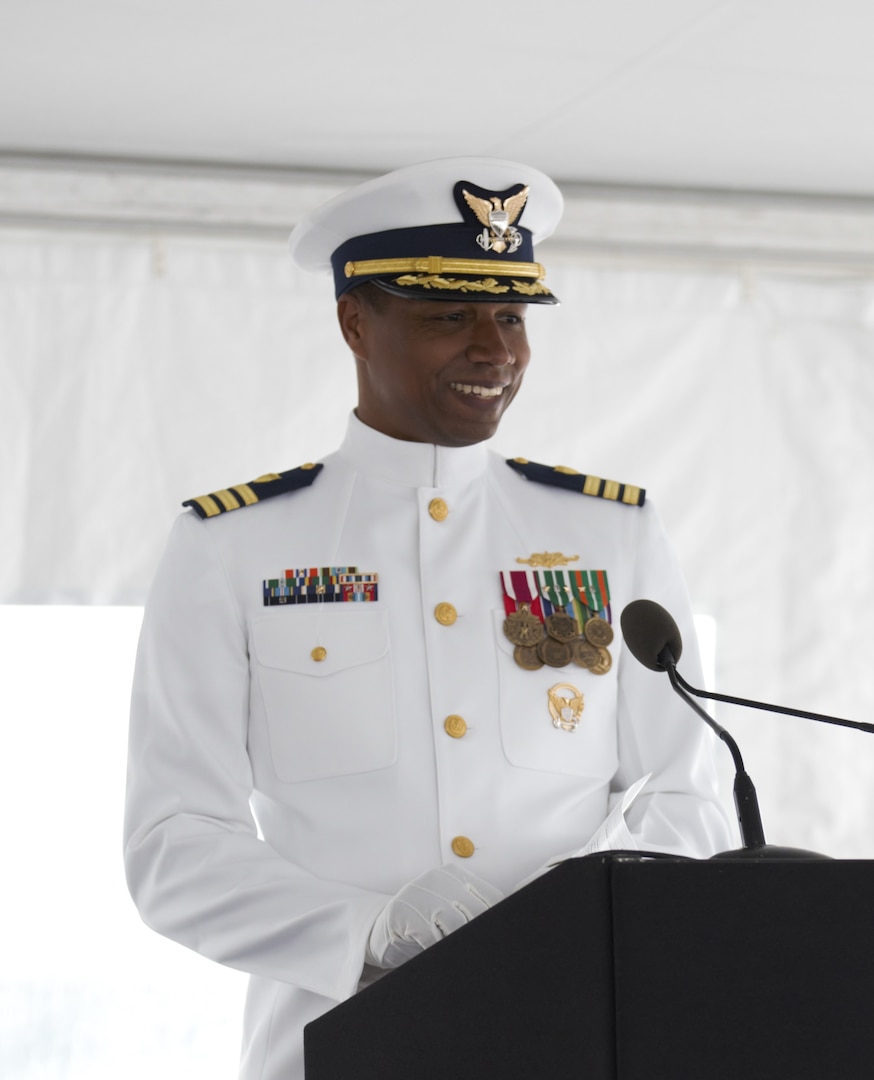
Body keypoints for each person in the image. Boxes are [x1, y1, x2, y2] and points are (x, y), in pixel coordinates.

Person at [124, 157, 731, 1079]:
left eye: (514, 316)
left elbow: (691, 794)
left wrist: (591, 928)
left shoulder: (609, 534)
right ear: (354, 321)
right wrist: (366, 929)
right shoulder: (233, 548)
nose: (497, 349)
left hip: (576, 1044)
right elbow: (173, 844)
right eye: (451, 315)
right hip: (331, 1046)